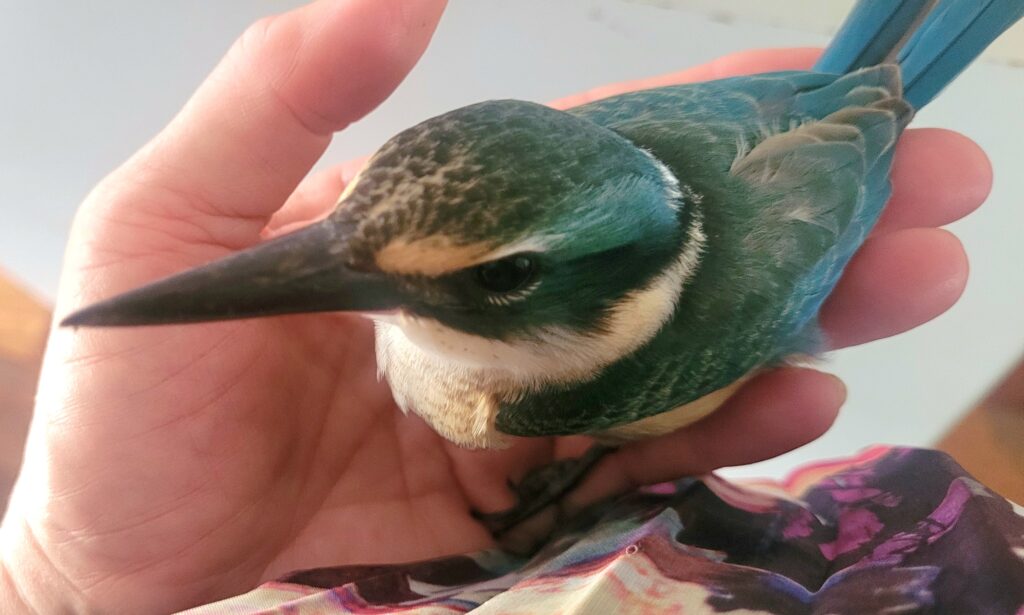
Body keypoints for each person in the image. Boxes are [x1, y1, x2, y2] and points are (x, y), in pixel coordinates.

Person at [0, 1, 992, 612]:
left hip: (802, 163)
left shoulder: (579, 383)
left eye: (492, 277)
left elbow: (846, 112)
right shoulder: (590, 208)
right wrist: (58, 587)